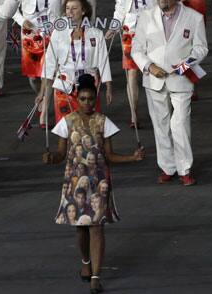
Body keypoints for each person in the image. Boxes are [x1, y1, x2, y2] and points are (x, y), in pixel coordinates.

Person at [42, 74, 145, 294]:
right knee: (81, 229)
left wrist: (131, 158)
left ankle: (96, 276)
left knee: (97, 227)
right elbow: (61, 154)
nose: (87, 103)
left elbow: (110, 155)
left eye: (90, 99)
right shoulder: (66, 122)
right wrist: (51, 159)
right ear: (76, 98)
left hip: (99, 181)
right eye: (83, 99)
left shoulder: (103, 121)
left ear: (95, 99)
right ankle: (86, 261)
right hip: (74, 181)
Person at [131, 0, 208, 186]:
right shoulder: (146, 17)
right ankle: (167, 167)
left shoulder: (194, 18)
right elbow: (136, 49)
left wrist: (185, 65)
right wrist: (149, 66)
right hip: (154, 80)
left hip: (181, 79)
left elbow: (201, 48)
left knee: (180, 123)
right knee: (161, 125)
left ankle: (185, 169)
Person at [0, 0, 69, 119]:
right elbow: (12, 7)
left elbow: (66, 7)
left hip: (53, 32)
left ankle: (45, 107)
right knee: (34, 77)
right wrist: (23, 21)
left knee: (50, 71)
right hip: (31, 34)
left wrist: (61, 26)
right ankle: (40, 94)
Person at [36, 0, 113, 125]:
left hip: (88, 86)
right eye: (67, 8)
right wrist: (42, 92)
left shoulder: (96, 33)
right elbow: (49, 63)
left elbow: (103, 62)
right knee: (65, 128)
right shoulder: (58, 33)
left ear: (83, 11)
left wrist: (109, 87)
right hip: (64, 85)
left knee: (90, 127)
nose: (70, 12)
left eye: (74, 8)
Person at [111, 0, 161, 127]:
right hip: (129, 29)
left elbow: (162, 5)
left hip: (151, 30)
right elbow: (120, 4)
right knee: (131, 74)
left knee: (151, 71)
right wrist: (114, 24)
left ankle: (158, 111)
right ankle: (134, 114)